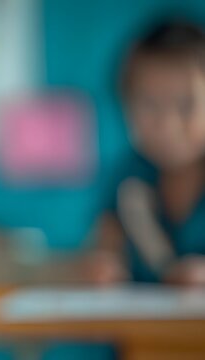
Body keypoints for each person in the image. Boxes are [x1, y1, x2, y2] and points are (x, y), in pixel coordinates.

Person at [85, 19, 205, 286]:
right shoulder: (128, 174)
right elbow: (105, 245)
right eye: (149, 105)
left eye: (186, 105)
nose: (167, 125)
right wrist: (103, 265)